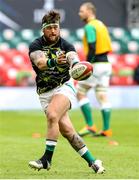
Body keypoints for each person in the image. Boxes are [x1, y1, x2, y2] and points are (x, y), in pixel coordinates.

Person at [28, 10, 105, 174]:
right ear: (43, 29)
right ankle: (93, 162)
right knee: (68, 132)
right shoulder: (36, 45)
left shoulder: (66, 45)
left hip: (64, 86)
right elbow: (40, 63)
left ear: (59, 28)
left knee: (52, 115)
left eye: (56, 27)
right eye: (49, 28)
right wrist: (54, 60)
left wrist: (76, 65)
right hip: (44, 92)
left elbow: (73, 58)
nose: (53, 31)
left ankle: (46, 160)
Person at [76, 2, 112, 137]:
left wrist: (87, 64)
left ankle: (90, 125)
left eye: (82, 11)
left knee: (80, 92)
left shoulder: (90, 26)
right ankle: (106, 129)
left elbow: (92, 46)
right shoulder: (100, 24)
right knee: (102, 95)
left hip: (95, 65)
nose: (79, 13)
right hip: (106, 64)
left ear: (90, 12)